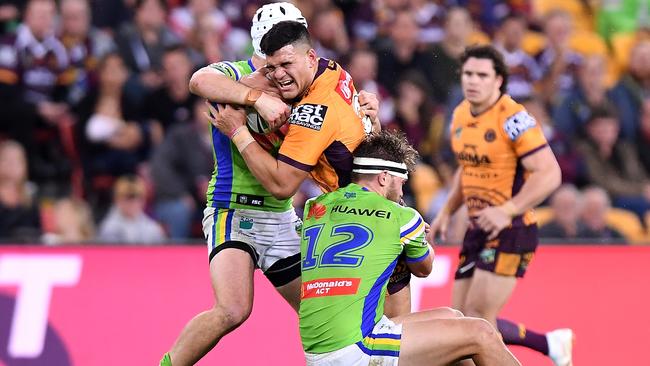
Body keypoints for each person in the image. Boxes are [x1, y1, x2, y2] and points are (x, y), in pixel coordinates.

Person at [210, 20, 417, 316]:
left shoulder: (314, 112)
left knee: (394, 339)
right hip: (381, 210)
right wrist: (254, 93)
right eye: (271, 68)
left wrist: (239, 132)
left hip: (367, 225)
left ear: (308, 57)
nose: (278, 75)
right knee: (390, 337)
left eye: (286, 64)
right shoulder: (332, 70)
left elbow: (282, 186)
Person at [161, 4, 330, 366]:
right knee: (233, 309)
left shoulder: (304, 84)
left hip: (281, 216)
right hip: (232, 209)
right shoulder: (234, 73)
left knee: (322, 314)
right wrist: (257, 98)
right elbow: (198, 80)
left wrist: (368, 108)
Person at [300, 130, 521, 366]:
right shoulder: (402, 216)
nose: (403, 193)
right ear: (384, 178)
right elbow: (424, 268)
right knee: (481, 332)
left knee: (452, 316)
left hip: (319, 346)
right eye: (402, 183)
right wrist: (420, 237)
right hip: (356, 347)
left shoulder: (315, 206)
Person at [428, 45, 574, 366]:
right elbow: (467, 171)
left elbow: (550, 173)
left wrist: (506, 210)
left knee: (478, 320)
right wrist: (446, 212)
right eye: (468, 73)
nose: (473, 81)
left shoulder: (513, 118)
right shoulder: (461, 114)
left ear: (499, 81)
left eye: (482, 75)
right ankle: (549, 343)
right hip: (478, 226)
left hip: (512, 228)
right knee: (458, 322)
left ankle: (548, 344)